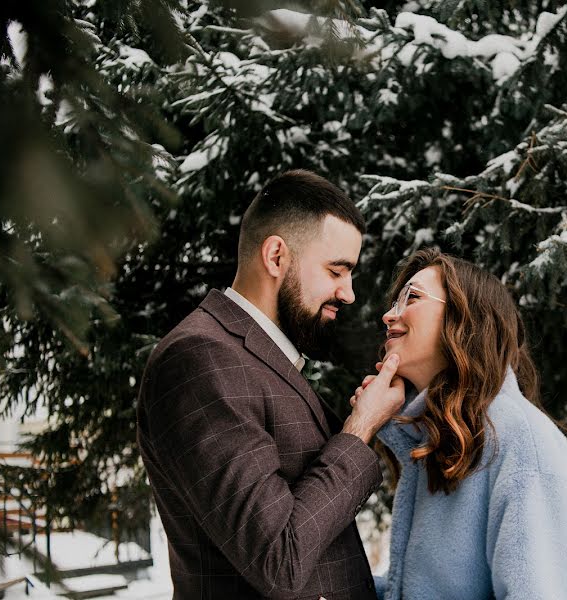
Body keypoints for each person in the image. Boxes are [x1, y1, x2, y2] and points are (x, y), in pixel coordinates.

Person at [137, 169, 406, 600]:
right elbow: (278, 560)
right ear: (277, 256)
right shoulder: (201, 359)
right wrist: (360, 429)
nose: (349, 293)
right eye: (337, 271)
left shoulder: (252, 355)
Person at [352, 248, 567, 600]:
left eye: (413, 297)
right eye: (396, 300)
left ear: (464, 318)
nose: (390, 314)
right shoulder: (446, 443)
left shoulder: (522, 447)